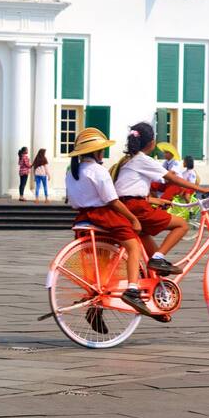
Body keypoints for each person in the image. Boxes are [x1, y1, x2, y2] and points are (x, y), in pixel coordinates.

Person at [111, 122, 209, 315]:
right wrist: (203, 189)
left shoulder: (128, 160)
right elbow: (171, 179)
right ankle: (159, 258)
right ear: (151, 143)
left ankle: (158, 296)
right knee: (182, 225)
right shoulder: (143, 159)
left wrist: (153, 200)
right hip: (136, 207)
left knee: (146, 242)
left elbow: (128, 187)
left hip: (126, 206)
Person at [64, 127, 150, 332]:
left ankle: (95, 306)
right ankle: (132, 290)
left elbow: (72, 200)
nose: (103, 153)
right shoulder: (98, 171)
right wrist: (132, 218)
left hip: (83, 218)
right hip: (103, 215)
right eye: (101, 150)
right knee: (132, 246)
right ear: (96, 152)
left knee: (102, 266)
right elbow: (113, 201)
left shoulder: (71, 172)